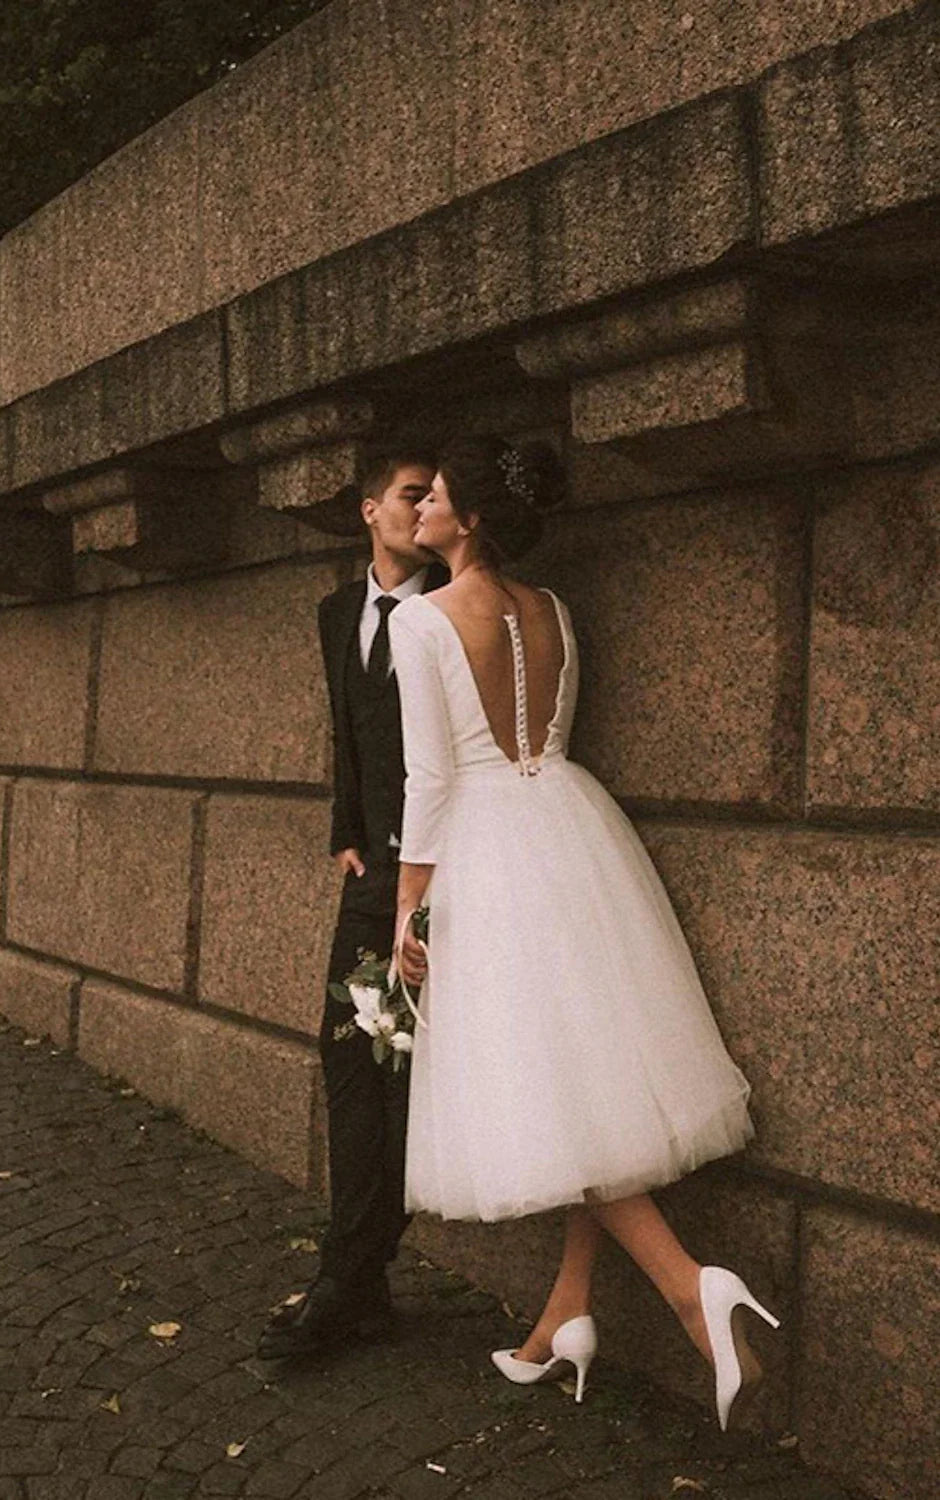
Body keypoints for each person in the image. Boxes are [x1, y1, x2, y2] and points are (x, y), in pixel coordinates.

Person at [387, 436, 778, 1430]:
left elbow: (430, 778)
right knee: (583, 1081)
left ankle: (692, 1287)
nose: (421, 505)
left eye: (435, 495)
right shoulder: (553, 610)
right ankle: (564, 1317)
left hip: (482, 843)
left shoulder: (422, 622)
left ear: (468, 519)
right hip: (570, 821)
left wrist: (406, 907)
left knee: (546, 1086)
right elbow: (543, 735)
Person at [257, 445, 447, 1359]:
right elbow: (348, 729)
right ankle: (355, 1282)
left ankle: (346, 1278)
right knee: (346, 1059)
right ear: (369, 509)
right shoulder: (337, 610)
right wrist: (345, 828)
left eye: (433, 497)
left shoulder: (453, 607)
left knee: (399, 1073)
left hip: (439, 880)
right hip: (371, 875)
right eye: (411, 495)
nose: (423, 509)